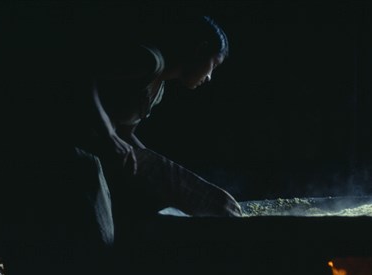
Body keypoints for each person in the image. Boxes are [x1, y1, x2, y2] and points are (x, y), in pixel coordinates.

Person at [64, 14, 242, 237]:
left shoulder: (158, 91)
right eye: (213, 65)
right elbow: (84, 74)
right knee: (94, 238)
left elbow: (125, 131)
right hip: (68, 150)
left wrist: (158, 170)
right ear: (200, 50)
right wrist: (109, 135)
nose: (209, 77)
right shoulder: (149, 61)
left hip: (91, 160)